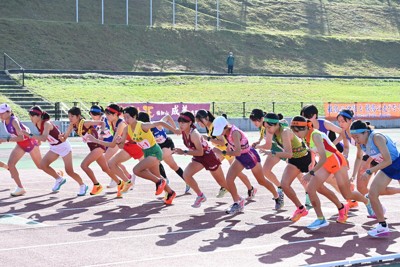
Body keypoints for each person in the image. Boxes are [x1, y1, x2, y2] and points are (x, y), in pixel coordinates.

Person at [290, 116, 374, 230]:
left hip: (336, 162)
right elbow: (313, 150)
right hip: (326, 164)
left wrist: (311, 172)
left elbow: (324, 157)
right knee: (311, 189)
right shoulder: (305, 136)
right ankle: (320, 219)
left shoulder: (315, 135)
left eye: (296, 132)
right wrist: (312, 161)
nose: (296, 135)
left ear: (302, 128)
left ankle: (367, 201)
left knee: (347, 194)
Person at [212, 116, 281, 214]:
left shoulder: (235, 133)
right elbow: (230, 147)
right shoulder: (226, 133)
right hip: (241, 157)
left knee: (261, 181)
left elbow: (237, 152)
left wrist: (221, 152)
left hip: (249, 156)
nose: (219, 133)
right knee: (229, 179)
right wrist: (224, 151)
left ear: (225, 127)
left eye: (220, 130)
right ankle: (237, 203)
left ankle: (277, 196)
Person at [119, 106, 178, 205]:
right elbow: (121, 146)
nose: (126, 120)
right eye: (124, 117)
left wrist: (174, 129)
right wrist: (118, 142)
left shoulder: (142, 126)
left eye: (128, 117)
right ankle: (171, 193)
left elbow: (161, 123)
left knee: (136, 170)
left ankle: (159, 182)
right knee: (156, 175)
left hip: (155, 151)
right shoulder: (126, 129)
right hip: (146, 153)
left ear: (135, 117)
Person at [23, 106, 88, 196]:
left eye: (32, 116)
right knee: (43, 165)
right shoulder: (37, 123)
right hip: (54, 147)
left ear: (38, 116)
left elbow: (44, 138)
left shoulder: (46, 124)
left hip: (63, 146)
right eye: (30, 116)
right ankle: (59, 179)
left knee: (69, 171)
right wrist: (37, 141)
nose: (31, 118)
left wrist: (30, 135)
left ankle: (83, 185)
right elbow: (42, 136)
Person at [350, 120, 399, 237]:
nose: (356, 140)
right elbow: (361, 157)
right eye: (353, 137)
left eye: (357, 137)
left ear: (365, 132)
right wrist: (354, 173)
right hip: (387, 168)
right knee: (372, 194)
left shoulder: (377, 137)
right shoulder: (361, 143)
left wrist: (369, 171)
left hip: (397, 163)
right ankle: (382, 226)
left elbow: (388, 160)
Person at [262, 112, 313, 222]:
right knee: (284, 185)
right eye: (265, 126)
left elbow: (288, 153)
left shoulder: (285, 132)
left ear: (276, 125)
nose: (267, 129)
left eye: (269, 127)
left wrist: (272, 153)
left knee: (326, 183)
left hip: (305, 157)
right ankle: (300, 209)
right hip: (294, 161)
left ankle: (348, 199)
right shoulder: (272, 131)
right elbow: (289, 155)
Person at [59, 106, 122, 197]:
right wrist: (61, 137)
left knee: (84, 165)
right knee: (105, 169)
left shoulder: (85, 123)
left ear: (78, 116)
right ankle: (120, 183)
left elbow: (102, 122)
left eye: (72, 116)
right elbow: (64, 139)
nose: (70, 118)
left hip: (98, 147)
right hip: (92, 148)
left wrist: (102, 132)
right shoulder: (72, 125)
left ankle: (97, 185)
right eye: (69, 116)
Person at [195, 109, 257, 199]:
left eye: (200, 121)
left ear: (207, 118)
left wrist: (208, 139)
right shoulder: (208, 128)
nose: (199, 124)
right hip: (221, 151)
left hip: (228, 150)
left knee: (237, 173)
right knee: (214, 167)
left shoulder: (214, 126)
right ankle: (224, 186)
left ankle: (251, 188)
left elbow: (222, 142)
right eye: (197, 122)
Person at [174, 112, 228, 208]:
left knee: (223, 183)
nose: (181, 125)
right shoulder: (183, 131)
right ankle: (200, 195)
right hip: (199, 157)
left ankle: (239, 199)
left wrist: (184, 152)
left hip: (208, 156)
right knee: (186, 175)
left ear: (190, 123)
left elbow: (200, 152)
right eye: (179, 122)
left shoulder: (194, 134)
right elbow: (174, 130)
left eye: (184, 123)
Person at [138, 112, 190, 193]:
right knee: (173, 166)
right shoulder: (143, 131)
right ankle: (187, 180)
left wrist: (174, 129)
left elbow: (168, 117)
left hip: (167, 145)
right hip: (158, 147)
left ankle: (164, 179)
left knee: (155, 161)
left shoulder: (157, 125)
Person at [0, 103, 43, 196]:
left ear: (9, 112)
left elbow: (21, 137)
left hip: (30, 143)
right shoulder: (4, 121)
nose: (0, 115)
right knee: (11, 164)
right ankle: (20, 187)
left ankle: (58, 175)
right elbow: (24, 131)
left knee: (41, 166)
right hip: (21, 145)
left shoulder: (14, 121)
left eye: (2, 113)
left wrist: (5, 139)